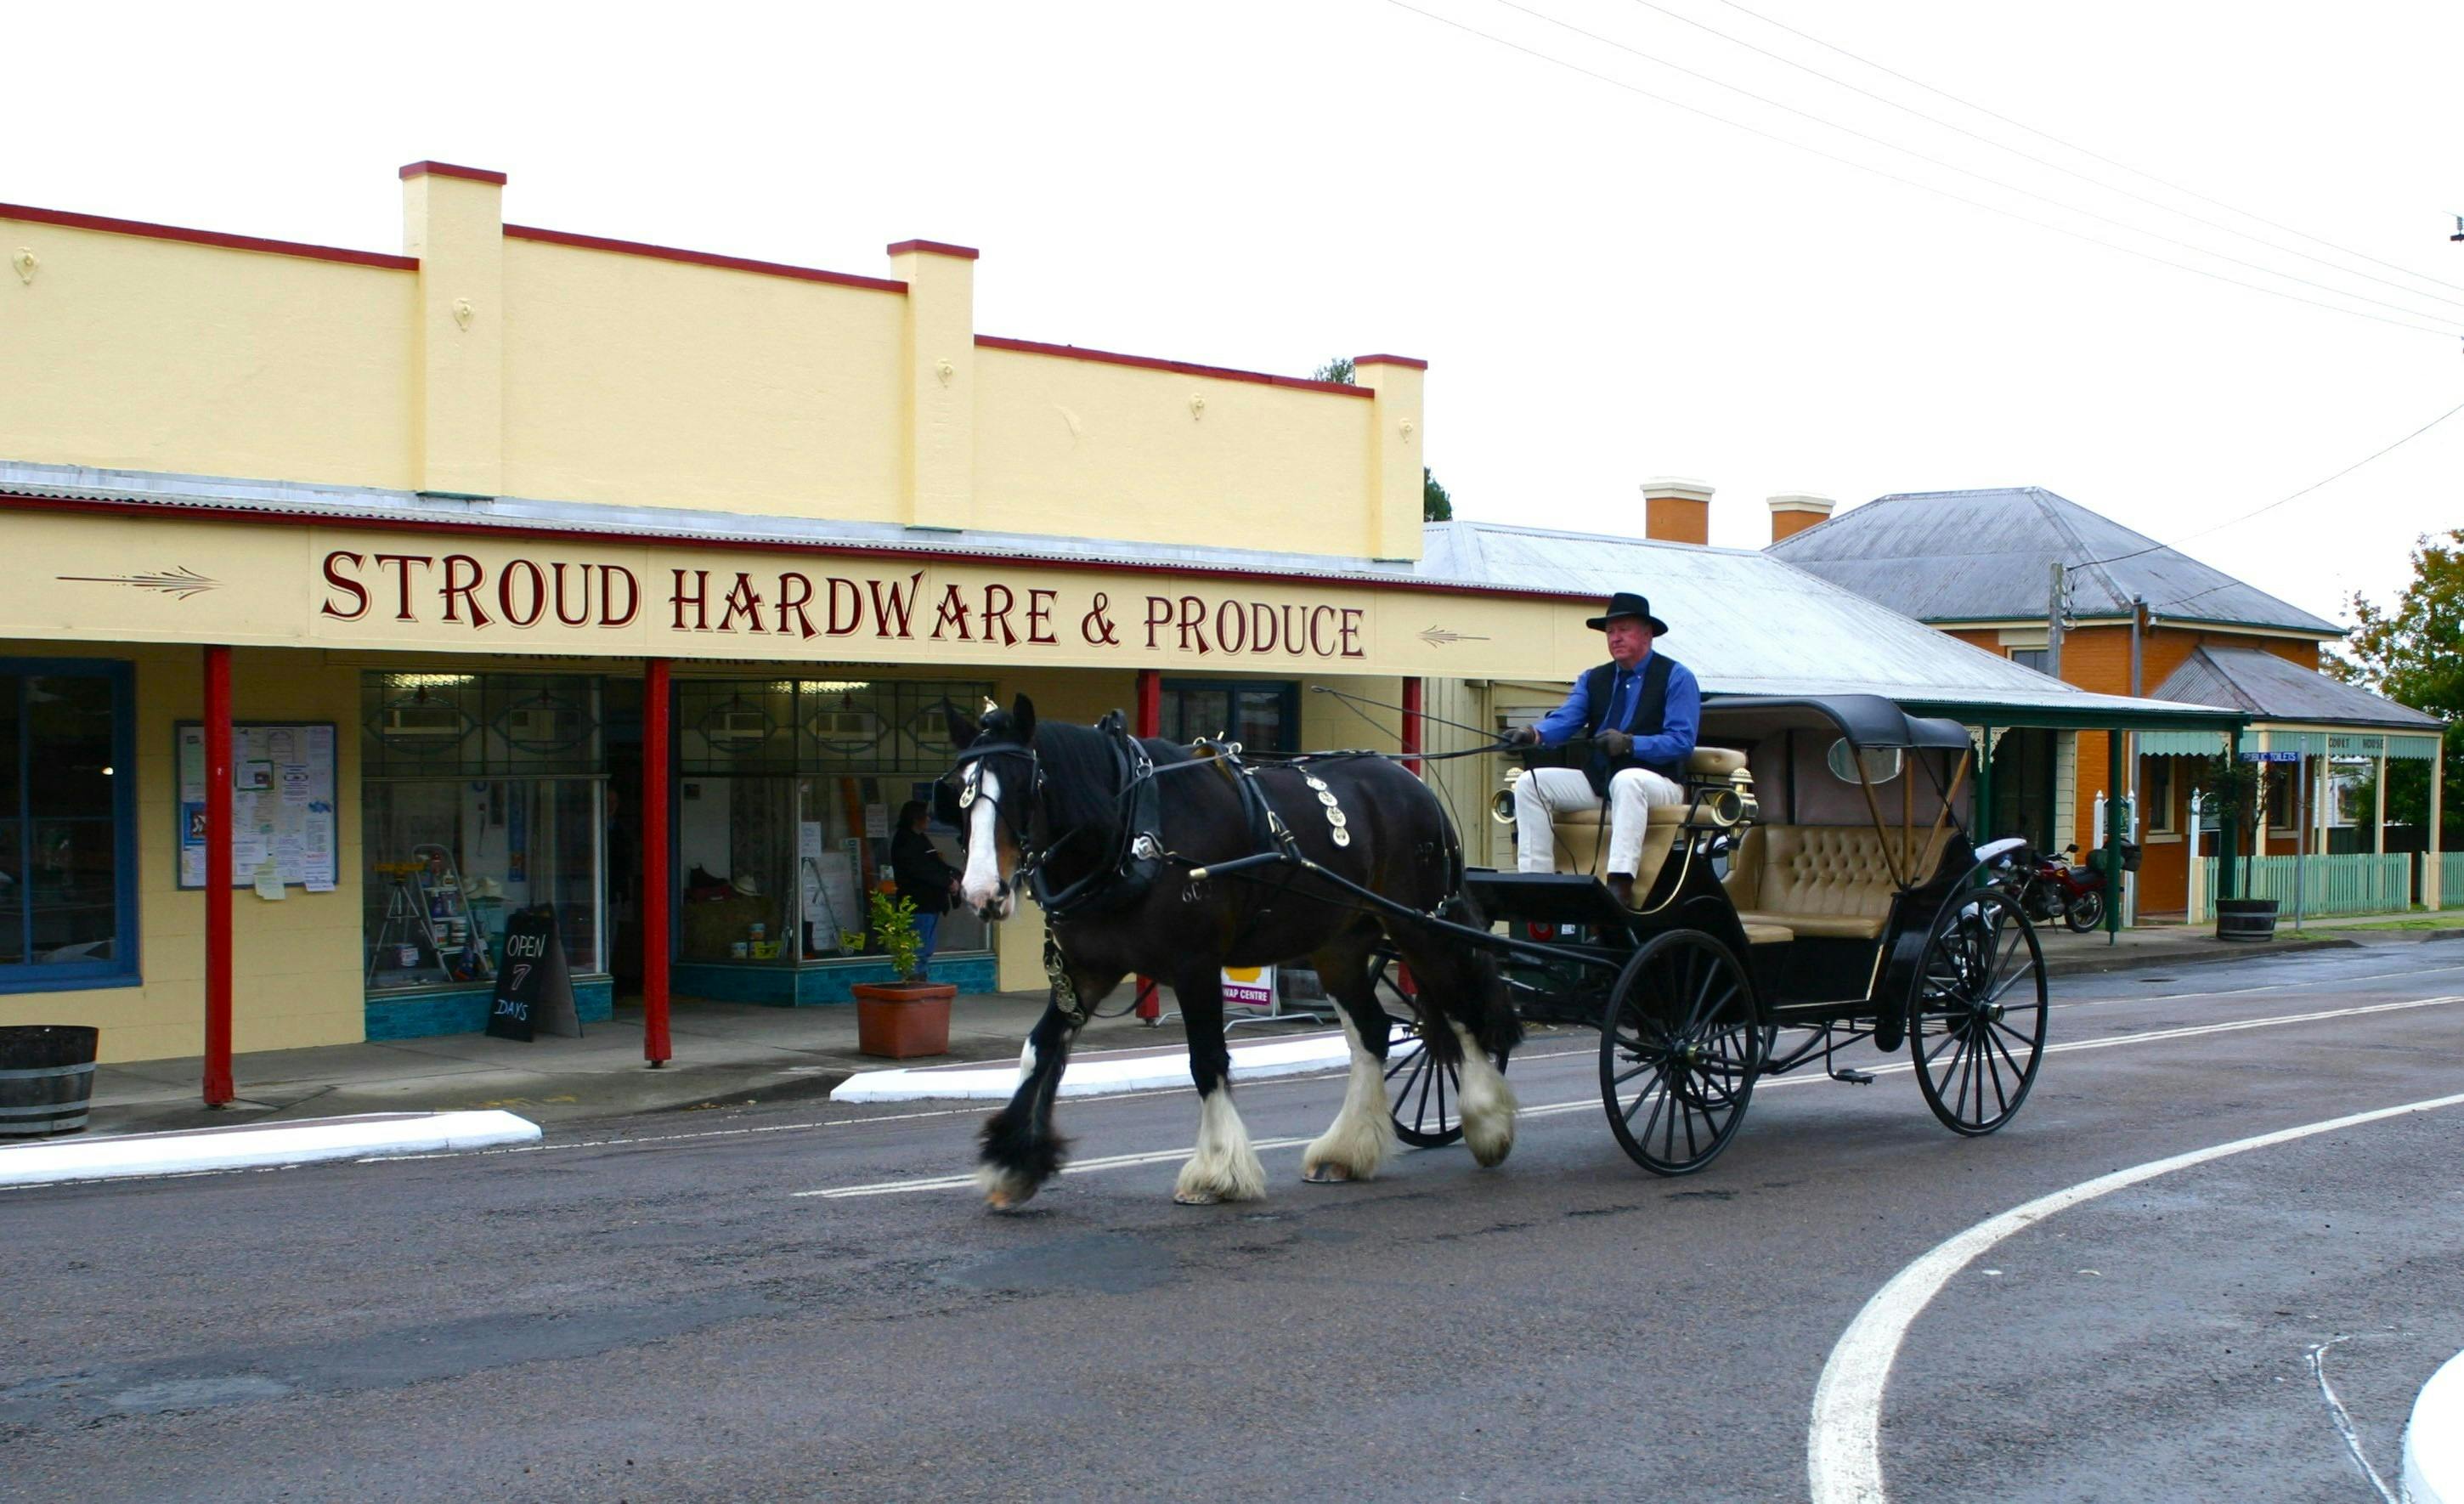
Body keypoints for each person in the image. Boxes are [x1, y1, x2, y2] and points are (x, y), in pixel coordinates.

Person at [1506, 591, 1700, 908]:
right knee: (1531, 783)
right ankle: (1536, 880)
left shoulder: (1677, 677)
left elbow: (1681, 742)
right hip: (1603, 781)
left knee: (1628, 780)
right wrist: (1533, 733)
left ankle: (1620, 882)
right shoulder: (1593, 678)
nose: (1615, 638)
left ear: (1647, 634)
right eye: (1610, 632)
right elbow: (1567, 719)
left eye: (1623, 629)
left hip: (1659, 783)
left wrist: (1630, 743)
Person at [890, 800, 963, 976]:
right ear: (916, 818)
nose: (929, 819)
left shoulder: (920, 839)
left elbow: (935, 864)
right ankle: (915, 985)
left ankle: (919, 982)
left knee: (925, 949)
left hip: (930, 903)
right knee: (918, 951)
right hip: (918, 904)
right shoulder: (906, 841)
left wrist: (952, 875)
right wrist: (947, 882)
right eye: (926, 816)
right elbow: (922, 870)